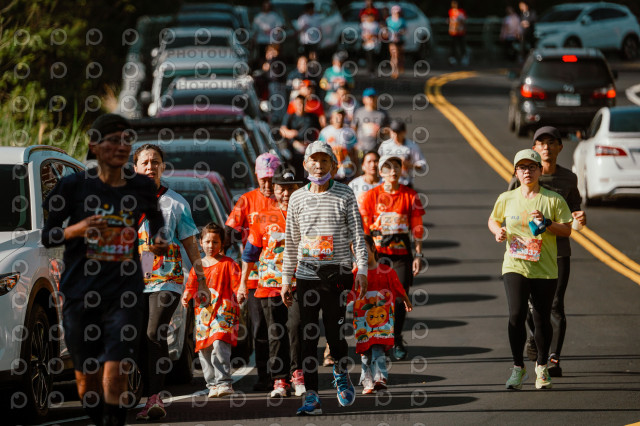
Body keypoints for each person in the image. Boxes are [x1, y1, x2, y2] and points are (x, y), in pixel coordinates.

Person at [41, 114, 167, 426]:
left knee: (116, 371)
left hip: (124, 294)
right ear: (94, 146)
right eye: (113, 140)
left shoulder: (140, 186)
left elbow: (155, 218)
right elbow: (48, 236)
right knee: (88, 385)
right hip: (80, 295)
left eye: (126, 140)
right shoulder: (73, 186)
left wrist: (159, 239)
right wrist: (77, 229)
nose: (121, 146)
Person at [282, 140, 369, 415]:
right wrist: (286, 279)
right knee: (307, 336)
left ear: (333, 164)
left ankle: (341, 372)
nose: (318, 166)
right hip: (306, 275)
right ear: (305, 164)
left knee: (334, 334)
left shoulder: (345, 193)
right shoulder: (297, 198)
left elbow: (358, 235)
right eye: (314, 160)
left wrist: (362, 269)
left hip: (337, 274)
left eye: (324, 160)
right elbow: (291, 242)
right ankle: (311, 395)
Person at [133, 144, 210, 421]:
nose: (150, 167)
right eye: (145, 162)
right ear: (135, 168)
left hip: (168, 278)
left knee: (154, 332)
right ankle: (141, 390)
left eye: (155, 162)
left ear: (163, 167)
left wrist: (202, 282)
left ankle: (155, 398)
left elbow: (191, 246)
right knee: (136, 338)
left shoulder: (176, 203)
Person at [488, 149, 573, 390]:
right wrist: (498, 231)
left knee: (541, 319)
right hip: (514, 265)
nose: (527, 171)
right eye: (522, 167)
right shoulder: (506, 198)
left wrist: (547, 222)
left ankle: (542, 367)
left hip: (544, 268)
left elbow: (567, 229)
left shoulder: (553, 199)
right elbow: (493, 219)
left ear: (540, 171)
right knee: (516, 315)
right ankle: (518, 368)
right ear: (516, 172)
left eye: (532, 167)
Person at [508, 127, 587, 377]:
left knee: (555, 304)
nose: (546, 148)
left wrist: (579, 216)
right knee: (529, 306)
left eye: (551, 143)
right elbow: (510, 204)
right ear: (534, 148)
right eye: (541, 143)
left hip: (558, 250)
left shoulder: (569, 178)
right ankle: (536, 336)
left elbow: (574, 209)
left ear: (560, 147)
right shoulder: (523, 176)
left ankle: (553, 358)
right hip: (526, 249)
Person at [239, 168, 305, 398]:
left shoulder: (306, 213)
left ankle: (297, 373)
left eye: (290, 188)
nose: (286, 193)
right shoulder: (262, 217)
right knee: (275, 331)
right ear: (274, 190)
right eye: (281, 189)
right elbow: (250, 253)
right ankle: (279, 379)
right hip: (269, 283)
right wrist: (242, 283)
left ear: (298, 189)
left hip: (298, 282)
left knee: (296, 327)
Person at [359, 155, 426, 361]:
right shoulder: (371, 196)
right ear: (381, 173)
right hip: (377, 255)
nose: (393, 171)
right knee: (377, 298)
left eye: (397, 167)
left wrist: (418, 254)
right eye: (388, 168)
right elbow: (364, 229)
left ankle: (396, 338)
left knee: (398, 298)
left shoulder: (410, 195)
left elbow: (417, 227)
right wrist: (363, 258)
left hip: (401, 255)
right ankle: (378, 340)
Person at [225, 153, 282, 392]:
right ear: (257, 176)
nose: (267, 184)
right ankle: (264, 375)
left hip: (283, 275)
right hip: (254, 276)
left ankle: (284, 375)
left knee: (282, 327)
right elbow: (230, 230)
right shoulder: (247, 200)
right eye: (263, 179)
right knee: (260, 328)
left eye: (271, 179)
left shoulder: (284, 199)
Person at [182, 223, 241, 398]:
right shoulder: (198, 265)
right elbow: (191, 285)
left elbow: (237, 285)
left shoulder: (228, 264)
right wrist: (186, 295)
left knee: (219, 344)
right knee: (204, 349)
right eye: (207, 242)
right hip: (203, 315)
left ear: (222, 243)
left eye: (215, 242)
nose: (211, 245)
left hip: (223, 312)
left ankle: (224, 382)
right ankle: (212, 384)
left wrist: (241, 293)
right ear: (200, 242)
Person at [349, 235, 413, 393]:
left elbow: (398, 287)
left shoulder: (386, 271)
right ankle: (367, 379)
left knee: (378, 347)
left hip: (382, 319)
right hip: (363, 320)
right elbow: (348, 295)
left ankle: (380, 377)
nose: (361, 253)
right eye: (356, 251)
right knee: (365, 351)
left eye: (364, 248)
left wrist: (406, 300)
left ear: (373, 247)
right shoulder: (356, 274)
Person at [378, 119, 427, 188]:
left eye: (398, 133)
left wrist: (408, 165)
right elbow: (378, 163)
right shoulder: (385, 145)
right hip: (387, 183)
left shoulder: (412, 146)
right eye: (393, 132)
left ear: (404, 132)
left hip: (405, 183)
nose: (396, 135)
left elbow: (422, 165)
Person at [318, 108, 358, 182]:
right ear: (332, 118)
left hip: (346, 170)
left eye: (341, 116)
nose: (339, 118)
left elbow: (354, 152)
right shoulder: (325, 132)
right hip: (330, 171)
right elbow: (320, 151)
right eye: (337, 116)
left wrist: (356, 171)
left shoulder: (350, 132)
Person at [353, 87, 390, 156]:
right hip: (361, 148)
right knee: (361, 162)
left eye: (373, 97)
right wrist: (356, 142)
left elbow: (389, 130)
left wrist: (381, 131)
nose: (371, 99)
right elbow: (353, 128)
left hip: (377, 148)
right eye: (369, 97)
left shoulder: (382, 113)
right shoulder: (359, 112)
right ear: (364, 99)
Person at [262, 44, 288, 125]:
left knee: (278, 104)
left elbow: (266, 67)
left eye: (272, 51)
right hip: (276, 84)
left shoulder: (276, 59)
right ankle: (279, 121)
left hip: (276, 84)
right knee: (277, 104)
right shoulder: (277, 60)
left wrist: (269, 60)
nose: (270, 54)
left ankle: (280, 121)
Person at [386, 5, 407, 79]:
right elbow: (385, 30)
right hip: (392, 40)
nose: (396, 13)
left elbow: (405, 30)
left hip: (400, 40)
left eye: (398, 12)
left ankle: (400, 66)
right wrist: (389, 34)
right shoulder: (388, 20)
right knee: (394, 55)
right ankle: (394, 71)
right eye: (395, 12)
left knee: (400, 55)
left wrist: (399, 33)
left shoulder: (402, 20)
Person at [447, 1, 468, 66]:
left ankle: (464, 58)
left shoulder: (461, 12)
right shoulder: (451, 11)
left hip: (460, 32)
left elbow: (464, 21)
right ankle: (452, 59)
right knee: (452, 46)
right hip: (453, 32)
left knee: (462, 45)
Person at [361, 11, 381, 76]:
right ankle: (369, 69)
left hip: (374, 43)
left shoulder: (376, 24)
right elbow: (362, 34)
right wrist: (365, 38)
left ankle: (372, 70)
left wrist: (372, 36)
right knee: (368, 56)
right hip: (366, 43)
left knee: (372, 56)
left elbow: (378, 34)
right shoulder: (364, 24)